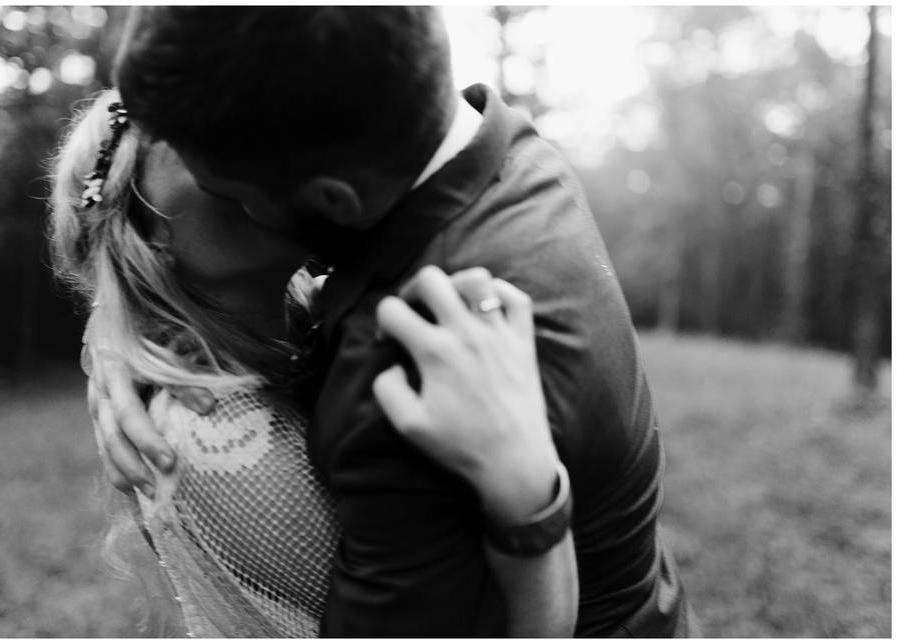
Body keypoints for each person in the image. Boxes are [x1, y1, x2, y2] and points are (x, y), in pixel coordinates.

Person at [93, 6, 694, 636]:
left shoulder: (404, 365)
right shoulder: (505, 150)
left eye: (234, 197)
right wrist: (128, 317)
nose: (239, 210)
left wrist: (530, 514)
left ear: (333, 200)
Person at [51, 90, 577, 637]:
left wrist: (111, 332)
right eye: (199, 145)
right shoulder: (219, 439)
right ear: (145, 228)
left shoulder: (314, 316)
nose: (263, 161)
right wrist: (531, 507)